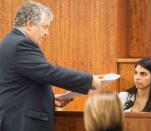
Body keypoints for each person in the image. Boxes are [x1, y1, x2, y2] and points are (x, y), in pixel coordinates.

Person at [0, 1, 102, 131]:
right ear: (30, 24)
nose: (47, 33)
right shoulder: (21, 44)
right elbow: (49, 72)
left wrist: (50, 99)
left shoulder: (10, 41)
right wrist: (89, 80)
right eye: (45, 27)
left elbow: (20, 86)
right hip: (22, 124)